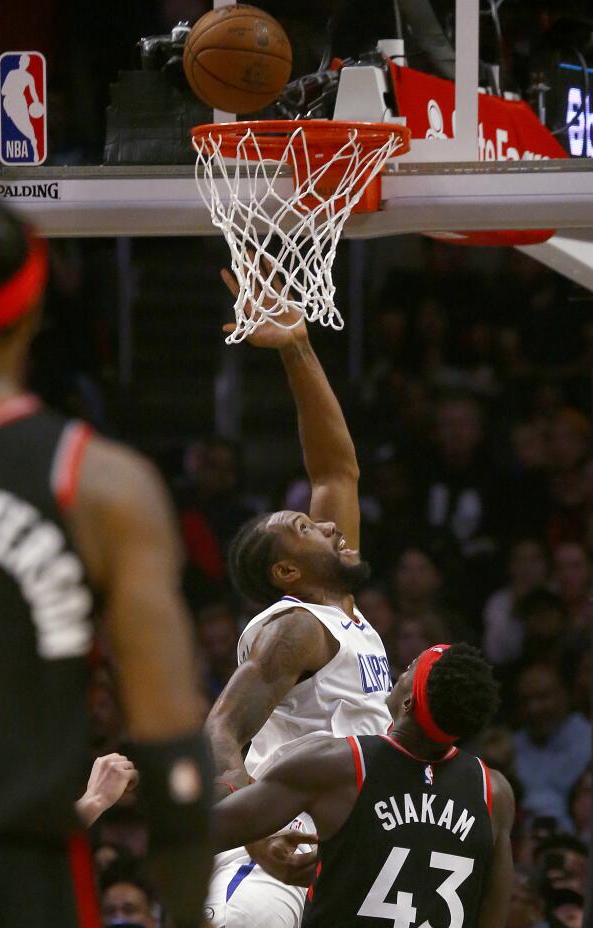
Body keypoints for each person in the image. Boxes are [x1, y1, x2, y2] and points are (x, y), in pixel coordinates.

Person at [0, 196, 211, 928]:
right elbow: (170, 745)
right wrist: (186, 911)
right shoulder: (100, 485)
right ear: (31, 314)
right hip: (22, 880)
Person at [205, 265, 392, 928]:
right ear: (286, 575)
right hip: (275, 865)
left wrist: (296, 347)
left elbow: (336, 469)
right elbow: (221, 730)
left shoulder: (341, 615)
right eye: (309, 529)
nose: (333, 524)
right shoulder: (297, 626)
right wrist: (251, 827)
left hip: (336, 850)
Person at [212, 643, 515, 928]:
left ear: (408, 702)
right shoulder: (494, 793)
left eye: (410, 668)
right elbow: (492, 915)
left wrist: (255, 829)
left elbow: (208, 830)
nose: (402, 671)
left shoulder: (338, 764)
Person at [513, 662, 591, 830]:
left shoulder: (587, 739)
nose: (533, 708)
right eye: (525, 700)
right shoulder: (511, 749)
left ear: (564, 695)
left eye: (542, 697)